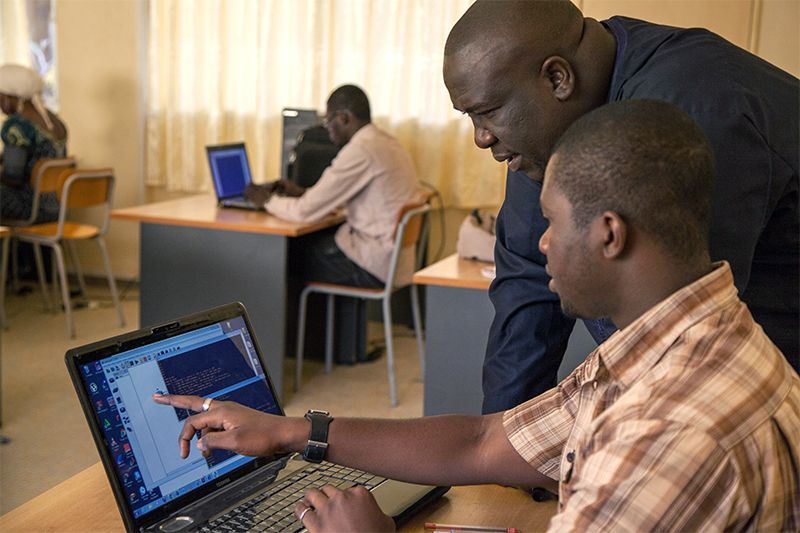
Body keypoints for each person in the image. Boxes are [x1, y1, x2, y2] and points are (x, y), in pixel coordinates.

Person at [154, 101, 800, 532]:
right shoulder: (694, 341)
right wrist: (291, 432)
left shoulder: (666, 438)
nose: (540, 242)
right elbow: (485, 441)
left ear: (609, 234)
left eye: (550, 222)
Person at [442, 0, 800, 414]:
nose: (481, 138)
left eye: (487, 112)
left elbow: (672, 340)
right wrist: (499, 457)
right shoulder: (543, 135)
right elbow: (525, 294)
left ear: (558, 78)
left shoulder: (690, 112)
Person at [245, 84, 422, 289]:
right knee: (306, 248)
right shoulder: (387, 142)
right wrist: (303, 193)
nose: (327, 128)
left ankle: (299, 321)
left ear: (343, 118)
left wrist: (266, 200)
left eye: (328, 121)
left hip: (373, 265)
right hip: (396, 263)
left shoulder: (360, 151)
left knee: (283, 259)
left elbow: (304, 212)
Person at [0, 63, 68, 224]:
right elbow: (38, 157)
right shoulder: (55, 121)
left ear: (9, 96)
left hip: (30, 207)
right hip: (57, 207)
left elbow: (13, 178)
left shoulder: (16, 125)